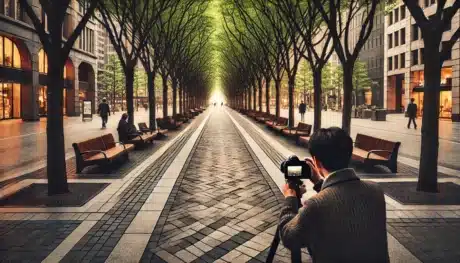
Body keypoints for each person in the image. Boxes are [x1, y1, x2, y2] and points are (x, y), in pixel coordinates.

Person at [278, 127, 389, 263]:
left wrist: (290, 198)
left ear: (316, 162)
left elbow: (289, 237)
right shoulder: (376, 191)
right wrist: (319, 182)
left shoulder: (315, 205)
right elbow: (340, 199)